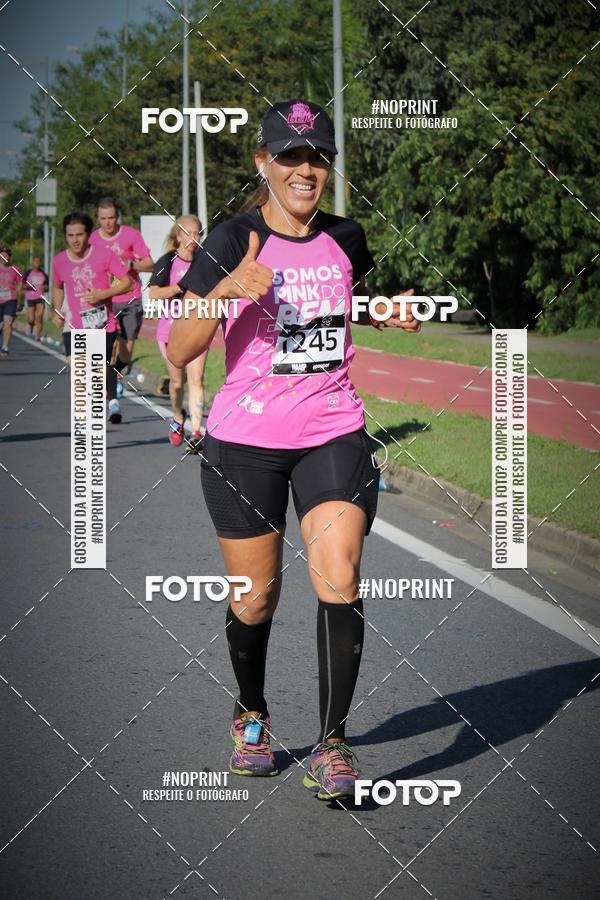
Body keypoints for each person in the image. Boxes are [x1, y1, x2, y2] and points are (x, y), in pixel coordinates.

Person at [169, 99, 419, 801]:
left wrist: (384, 309)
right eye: (290, 156)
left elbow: (342, 300)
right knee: (257, 596)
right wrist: (225, 289)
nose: (305, 169)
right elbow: (181, 349)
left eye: (317, 157)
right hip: (245, 441)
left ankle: (333, 746)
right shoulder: (231, 238)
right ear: (263, 164)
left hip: (332, 430)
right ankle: (251, 714)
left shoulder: (349, 235)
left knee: (339, 573)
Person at [52, 212, 133, 423]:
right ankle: (84, 422)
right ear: (65, 236)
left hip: (102, 326)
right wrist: (57, 309)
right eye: (70, 235)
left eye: (79, 234)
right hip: (74, 326)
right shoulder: (59, 261)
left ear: (88, 235)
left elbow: (127, 282)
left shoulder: (104, 255)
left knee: (95, 378)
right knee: (79, 374)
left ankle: (95, 421)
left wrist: (101, 294)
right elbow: (58, 286)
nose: (75, 240)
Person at [148, 215, 207, 449]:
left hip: (197, 328)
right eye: (189, 233)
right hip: (170, 332)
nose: (194, 238)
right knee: (177, 383)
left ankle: (196, 432)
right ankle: (177, 417)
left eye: (198, 233)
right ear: (178, 235)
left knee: (196, 379)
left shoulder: (204, 260)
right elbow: (154, 293)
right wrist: (178, 288)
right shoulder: (167, 261)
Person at [90, 196, 153, 396]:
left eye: (111, 218)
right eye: (103, 218)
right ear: (98, 218)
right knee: (106, 346)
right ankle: (107, 386)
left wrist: (131, 265)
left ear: (117, 216)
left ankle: (115, 374)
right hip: (104, 301)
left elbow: (150, 264)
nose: (107, 222)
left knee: (126, 350)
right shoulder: (92, 239)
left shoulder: (131, 235)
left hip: (130, 299)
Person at [0, 246, 23, 357]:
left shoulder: (15, 269)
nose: (5, 257)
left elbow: (19, 285)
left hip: (10, 300)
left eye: (7, 255)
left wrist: (19, 301)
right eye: (2, 255)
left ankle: (5, 347)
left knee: (8, 323)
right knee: (1, 326)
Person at [22, 255, 48, 342]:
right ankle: (30, 325)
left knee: (39, 317)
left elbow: (47, 287)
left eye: (38, 261)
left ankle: (38, 336)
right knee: (31, 318)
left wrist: (45, 288)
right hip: (30, 297)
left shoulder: (43, 274)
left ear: (40, 263)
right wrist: (27, 286)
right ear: (32, 263)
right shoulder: (28, 273)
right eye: (35, 261)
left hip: (40, 297)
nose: (37, 263)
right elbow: (22, 285)